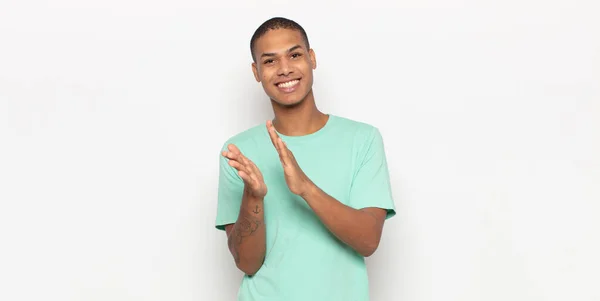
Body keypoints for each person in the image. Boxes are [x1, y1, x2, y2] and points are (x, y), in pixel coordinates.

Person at [215, 17, 396, 301]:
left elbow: (368, 240)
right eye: (270, 61)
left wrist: (305, 187)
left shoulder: (363, 140)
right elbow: (247, 263)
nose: (285, 69)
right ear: (257, 71)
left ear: (311, 58)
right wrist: (253, 196)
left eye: (295, 55)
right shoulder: (238, 151)